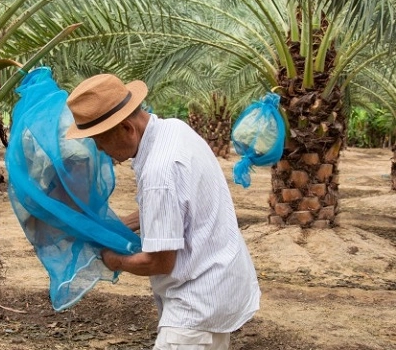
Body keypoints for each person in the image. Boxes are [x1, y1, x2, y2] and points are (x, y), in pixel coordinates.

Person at [65, 74, 261, 350]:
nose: (99, 149)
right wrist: (119, 225)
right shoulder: (174, 129)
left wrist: (113, 260)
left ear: (126, 129)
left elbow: (158, 262)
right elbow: (174, 208)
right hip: (220, 284)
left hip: (196, 305)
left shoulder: (160, 171)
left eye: (99, 140)